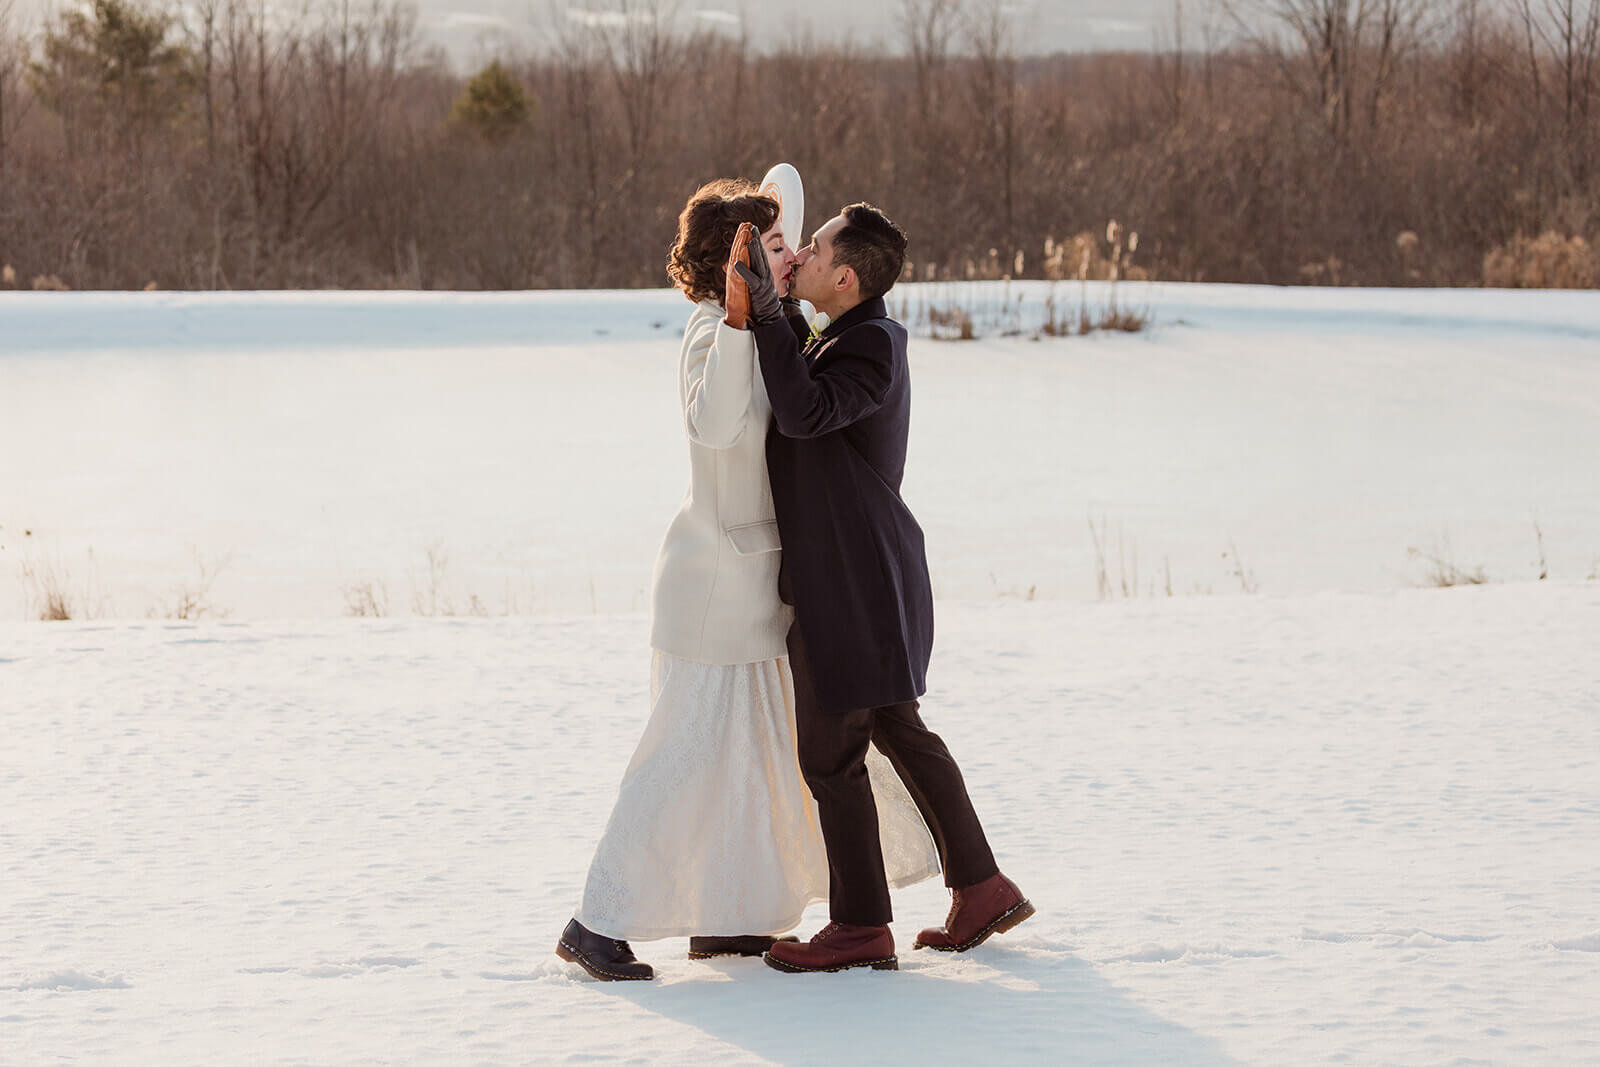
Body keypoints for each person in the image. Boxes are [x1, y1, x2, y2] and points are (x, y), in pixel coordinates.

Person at [556, 181, 939, 982]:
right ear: (727, 265)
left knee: (748, 764)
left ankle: (729, 921)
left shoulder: (776, 323)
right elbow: (717, 423)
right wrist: (738, 317)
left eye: (788, 246)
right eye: (774, 249)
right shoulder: (708, 331)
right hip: (711, 586)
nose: (792, 255)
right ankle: (596, 923)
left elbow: (790, 202)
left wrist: (770, 289)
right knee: (679, 757)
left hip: (759, 589)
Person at [727, 203, 1034, 974]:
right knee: (900, 730)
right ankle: (983, 886)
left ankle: (861, 925)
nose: (799, 252)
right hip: (867, 580)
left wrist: (769, 310)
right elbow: (804, 380)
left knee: (832, 759)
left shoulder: (871, 348)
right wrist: (778, 313)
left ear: (846, 275)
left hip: (854, 588)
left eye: (815, 244)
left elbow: (803, 411)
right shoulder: (848, 336)